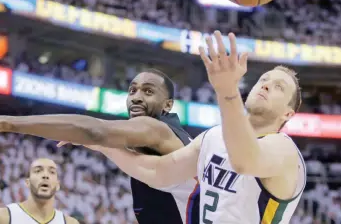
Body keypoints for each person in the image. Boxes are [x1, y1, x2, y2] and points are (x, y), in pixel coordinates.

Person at [77, 31, 307, 223]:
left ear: (288, 114)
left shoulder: (284, 150)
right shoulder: (214, 137)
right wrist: (103, 144)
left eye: (278, 87)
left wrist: (227, 90)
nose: (266, 86)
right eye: (264, 79)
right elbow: (158, 172)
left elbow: (244, 161)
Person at [0, 69, 200, 224]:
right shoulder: (160, 142)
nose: (135, 97)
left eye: (147, 91)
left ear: (167, 105)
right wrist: (97, 144)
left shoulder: (156, 128)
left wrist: (3, 122)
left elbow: (93, 130)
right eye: (132, 90)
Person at [0, 158, 79, 224]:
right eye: (38, 171)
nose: (45, 176)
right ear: (27, 182)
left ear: (58, 185)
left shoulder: (70, 222)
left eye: (52, 172)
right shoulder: (1, 217)